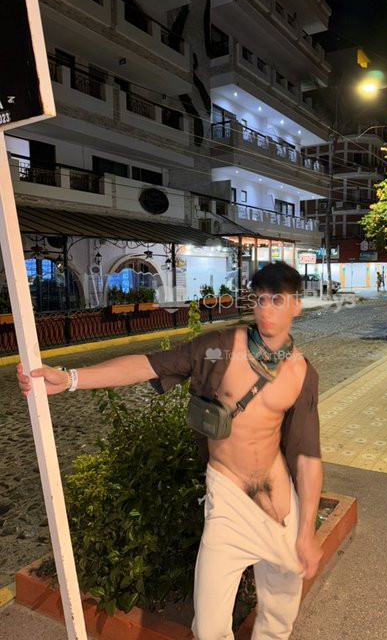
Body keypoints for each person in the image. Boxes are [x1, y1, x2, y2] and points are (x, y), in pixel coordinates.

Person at [16, 261, 323, 640]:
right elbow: (147, 365)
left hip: (281, 509)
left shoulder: (301, 373)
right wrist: (70, 378)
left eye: (277, 300)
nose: (266, 310)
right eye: (259, 299)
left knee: (279, 618)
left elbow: (307, 456)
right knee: (209, 628)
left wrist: (305, 531)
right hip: (229, 501)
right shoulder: (220, 349)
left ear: (296, 305)